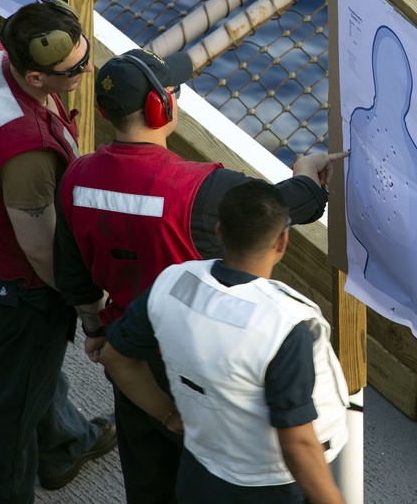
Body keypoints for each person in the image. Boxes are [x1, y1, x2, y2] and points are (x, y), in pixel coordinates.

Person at [53, 48, 347, 503]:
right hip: (193, 351)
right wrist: (308, 179)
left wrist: (95, 328)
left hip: (128, 346)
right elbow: (269, 212)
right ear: (161, 106)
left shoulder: (76, 177)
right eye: (173, 91)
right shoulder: (205, 189)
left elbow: (73, 273)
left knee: (148, 480)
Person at [0, 0, 117, 503]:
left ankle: (62, 445)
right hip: (16, 292)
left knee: (32, 371)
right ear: (37, 79)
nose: (87, 69)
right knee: (10, 408)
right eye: (75, 68)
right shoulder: (28, 157)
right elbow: (43, 253)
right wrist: (90, 310)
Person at [100, 181, 349, 503]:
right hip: (270, 484)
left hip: (200, 466)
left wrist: (168, 415)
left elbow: (116, 358)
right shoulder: (286, 324)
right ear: (282, 241)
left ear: (219, 231)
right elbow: (297, 443)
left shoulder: (173, 281)